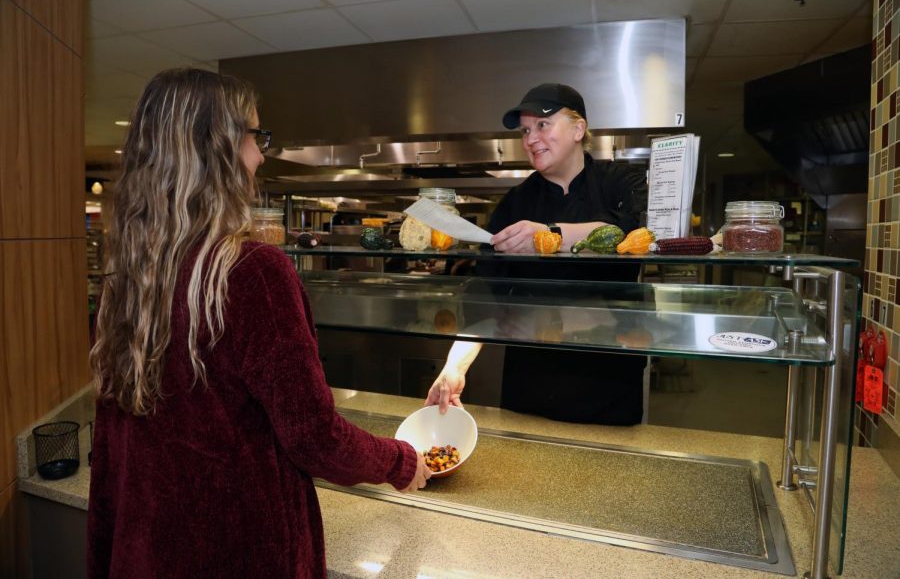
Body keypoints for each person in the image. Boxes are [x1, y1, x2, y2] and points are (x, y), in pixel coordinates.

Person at [87, 68, 430, 579]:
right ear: (218, 147)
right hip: (241, 547)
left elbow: (111, 450)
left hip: (148, 547)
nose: (261, 154)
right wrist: (400, 461)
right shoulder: (253, 272)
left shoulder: (129, 275)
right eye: (256, 135)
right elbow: (314, 436)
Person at [425, 83, 648, 425]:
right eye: (525, 130)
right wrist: (454, 367)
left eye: (542, 125)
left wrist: (551, 235)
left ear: (578, 129)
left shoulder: (620, 181)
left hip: (607, 376)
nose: (530, 139)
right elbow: (486, 293)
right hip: (530, 380)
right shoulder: (516, 201)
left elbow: (635, 232)